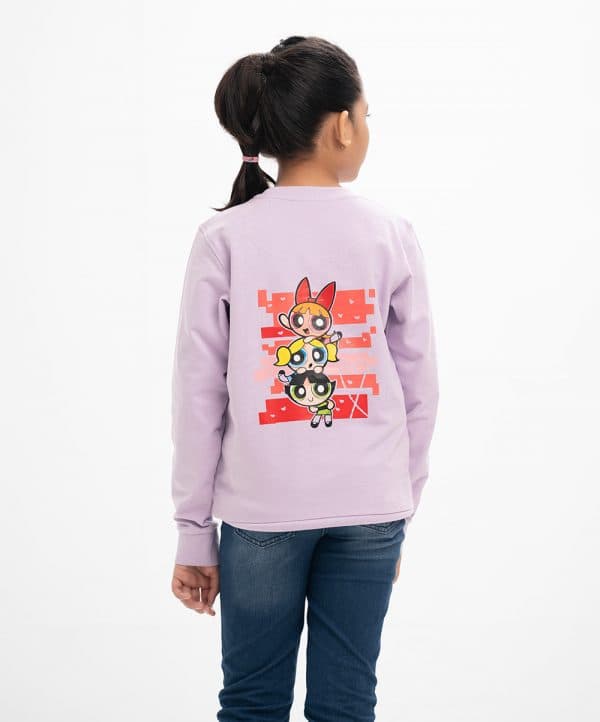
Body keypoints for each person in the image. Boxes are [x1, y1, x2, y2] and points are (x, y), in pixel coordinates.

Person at [169, 35, 439, 722]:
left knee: (251, 702)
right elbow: (420, 385)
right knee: (347, 703)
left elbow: (197, 398)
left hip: (262, 511)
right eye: (366, 115)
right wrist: (399, 504)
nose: (366, 128)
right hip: (370, 509)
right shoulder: (389, 231)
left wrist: (194, 533)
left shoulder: (224, 239)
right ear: (342, 125)